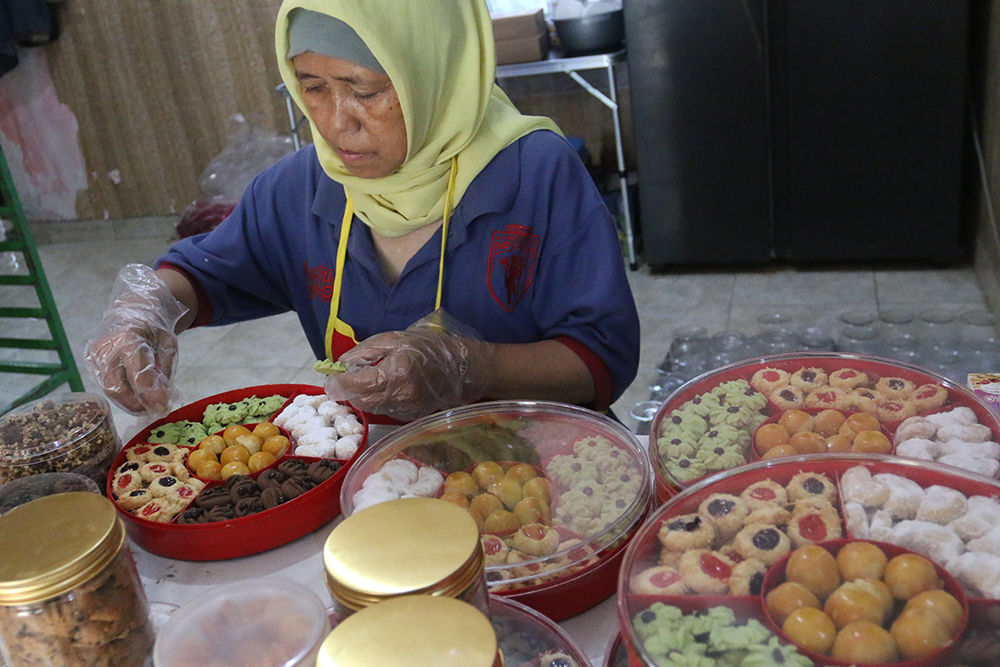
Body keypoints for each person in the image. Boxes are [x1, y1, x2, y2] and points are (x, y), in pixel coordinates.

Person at [85, 0, 639, 424]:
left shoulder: (535, 173)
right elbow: (200, 274)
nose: (334, 123)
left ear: (434, 77)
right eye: (313, 88)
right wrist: (144, 311)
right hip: (381, 478)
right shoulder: (300, 187)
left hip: (541, 471)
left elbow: (601, 357)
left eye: (365, 91)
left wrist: (474, 366)